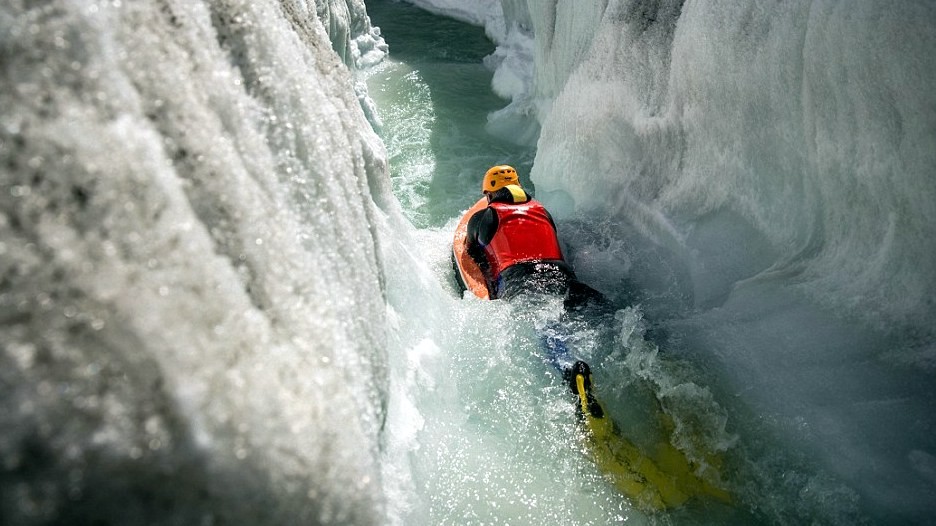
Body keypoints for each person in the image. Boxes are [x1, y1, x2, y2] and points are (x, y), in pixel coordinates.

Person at [462, 165, 603, 309]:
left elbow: (472, 253)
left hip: (519, 279)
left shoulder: (481, 218)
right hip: (561, 273)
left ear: (489, 195)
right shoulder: (543, 212)